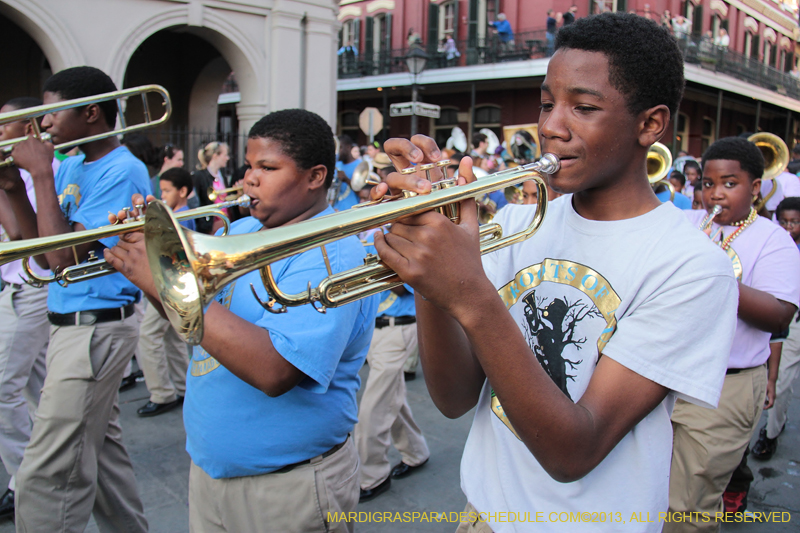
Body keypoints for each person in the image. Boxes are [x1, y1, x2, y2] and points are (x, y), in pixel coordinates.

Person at [371, 13, 738, 533]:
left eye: (583, 107)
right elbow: (453, 399)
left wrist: (469, 293)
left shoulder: (693, 268)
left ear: (650, 125)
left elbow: (574, 451)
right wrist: (430, 268)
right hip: (482, 516)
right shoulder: (520, 222)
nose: (549, 126)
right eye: (547, 103)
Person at [104, 108, 377, 532]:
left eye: (268, 167)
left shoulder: (334, 253)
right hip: (212, 472)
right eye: (249, 166)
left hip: (287, 489)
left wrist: (164, 283)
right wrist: (153, 270)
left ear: (315, 176)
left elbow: (276, 370)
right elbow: (194, 325)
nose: (249, 178)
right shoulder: (238, 232)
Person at [0, 66, 148, 533]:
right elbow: (36, 250)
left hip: (96, 324)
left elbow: (64, 259)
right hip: (71, 321)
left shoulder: (123, 168)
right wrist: (9, 186)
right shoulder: (72, 165)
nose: (41, 125)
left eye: (50, 114)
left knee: (48, 473)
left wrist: (41, 172)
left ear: (90, 114)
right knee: (104, 463)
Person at [670, 137, 800, 528]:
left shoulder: (772, 240)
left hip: (727, 385)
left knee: (686, 506)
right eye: (708, 184)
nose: (715, 194)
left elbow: (779, 317)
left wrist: (712, 271)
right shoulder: (685, 223)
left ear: (755, 188)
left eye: (729, 184)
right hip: (665, 375)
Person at [0, 97, 56, 519]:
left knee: (3, 389)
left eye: (7, 126)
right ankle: (39, 472)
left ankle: (24, 479)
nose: (0, 133)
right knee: (38, 393)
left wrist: (10, 185)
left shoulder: (49, 169)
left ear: (31, 128)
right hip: (18, 287)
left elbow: (21, 234)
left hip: (33, 288)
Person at [356, 235, 430, 503]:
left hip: (399, 327)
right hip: (374, 329)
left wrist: (375, 258)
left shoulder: (404, 231)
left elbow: (403, 285)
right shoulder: (368, 230)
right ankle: (416, 452)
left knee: (372, 407)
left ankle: (371, 475)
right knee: (391, 398)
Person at [134, 167, 194, 418]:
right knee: (172, 337)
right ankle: (182, 387)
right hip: (173, 285)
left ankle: (161, 393)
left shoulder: (181, 216)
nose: (162, 195)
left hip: (171, 285)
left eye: (167, 190)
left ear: (183, 192)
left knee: (147, 336)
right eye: (161, 190)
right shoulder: (174, 214)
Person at [751, 197, 800, 461]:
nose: (789, 227)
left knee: (785, 383)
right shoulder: (775, 245)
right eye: (784, 222)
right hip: (790, 324)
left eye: (795, 222)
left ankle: (774, 427)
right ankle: (769, 435)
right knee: (781, 380)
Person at [192, 141, 230, 234]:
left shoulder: (222, 176)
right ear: (215, 156)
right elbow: (197, 203)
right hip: (210, 225)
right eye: (225, 155)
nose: (227, 158)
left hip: (225, 220)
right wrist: (206, 225)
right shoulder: (199, 176)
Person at [333, 134, 362, 211]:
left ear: (348, 147)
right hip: (336, 209)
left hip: (352, 210)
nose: (337, 152)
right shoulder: (337, 164)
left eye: (340, 148)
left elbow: (363, 192)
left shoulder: (360, 165)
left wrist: (346, 179)